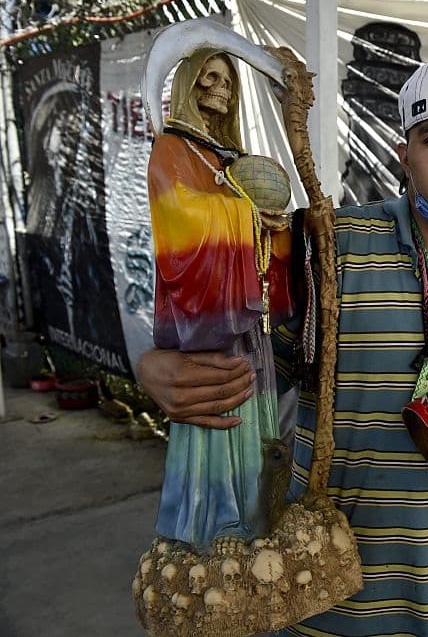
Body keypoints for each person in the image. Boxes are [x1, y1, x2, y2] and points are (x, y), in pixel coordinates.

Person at [138, 55, 428, 635]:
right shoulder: (326, 250)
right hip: (326, 598)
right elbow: (238, 355)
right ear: (403, 153)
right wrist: (158, 363)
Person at [146, 48, 293, 549]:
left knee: (250, 405)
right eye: (209, 76)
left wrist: (276, 229)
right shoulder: (172, 147)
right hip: (213, 308)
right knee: (214, 400)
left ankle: (254, 514)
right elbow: (180, 216)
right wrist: (244, 213)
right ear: (189, 83)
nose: (219, 86)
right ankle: (212, 517)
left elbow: (260, 221)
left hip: (248, 312)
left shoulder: (231, 158)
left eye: (227, 80)